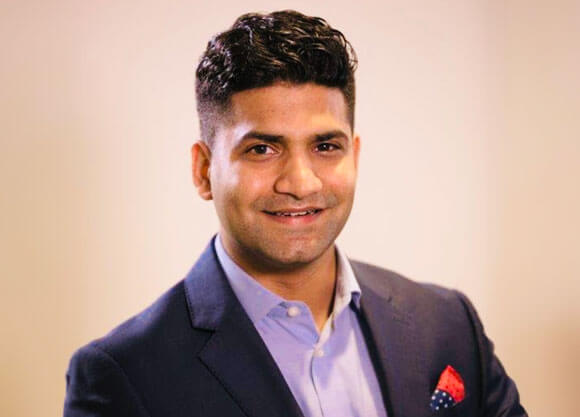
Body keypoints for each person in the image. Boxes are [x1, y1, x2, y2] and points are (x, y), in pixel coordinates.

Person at [63, 10, 527, 417]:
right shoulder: (123, 376)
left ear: (355, 156)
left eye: (326, 146)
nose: (301, 182)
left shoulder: (447, 324)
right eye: (262, 148)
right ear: (204, 170)